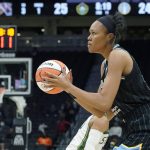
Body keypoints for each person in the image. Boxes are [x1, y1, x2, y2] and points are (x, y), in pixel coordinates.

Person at [42, 12, 150, 150]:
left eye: (93, 33)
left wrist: (69, 87)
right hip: (135, 129)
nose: (89, 38)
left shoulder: (118, 56)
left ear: (109, 37)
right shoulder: (105, 64)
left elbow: (103, 103)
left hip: (145, 127)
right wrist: (68, 89)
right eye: (89, 33)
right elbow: (100, 111)